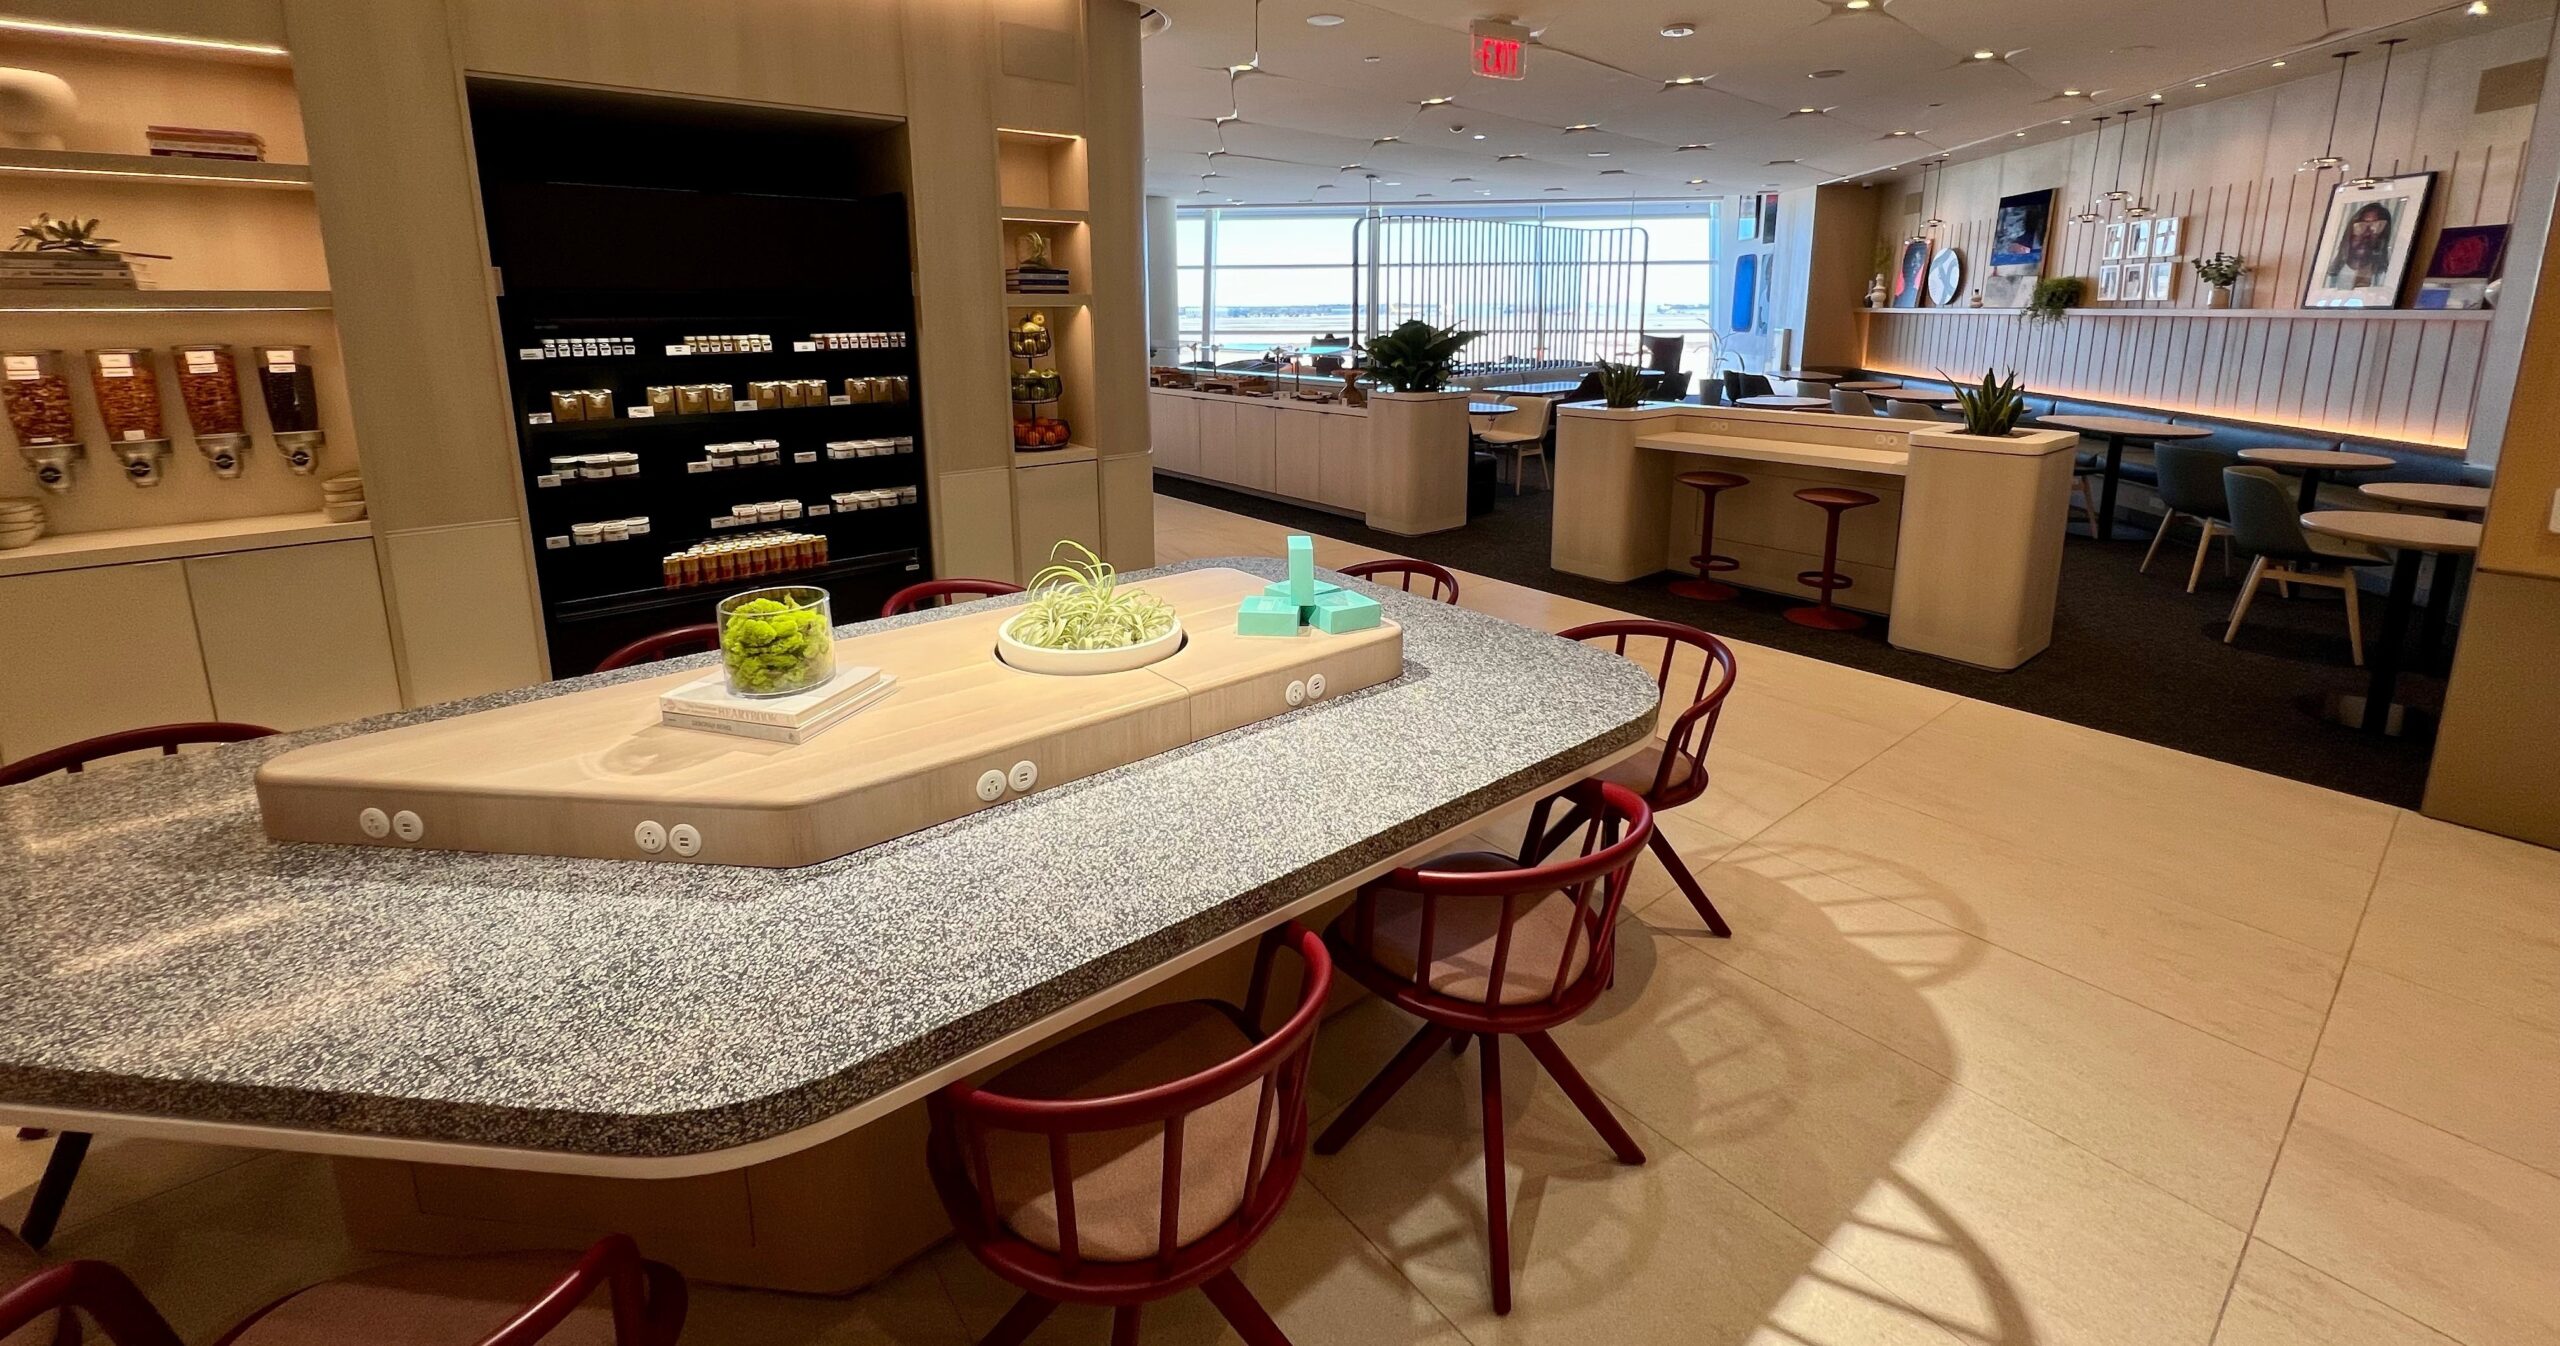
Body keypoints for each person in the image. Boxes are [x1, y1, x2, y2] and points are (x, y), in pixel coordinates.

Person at [2326, 202, 2396, 290]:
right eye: (2360, 226)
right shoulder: (2325, 278)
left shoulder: (2387, 279)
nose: (2366, 234)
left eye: (2375, 227)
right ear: (2349, 232)